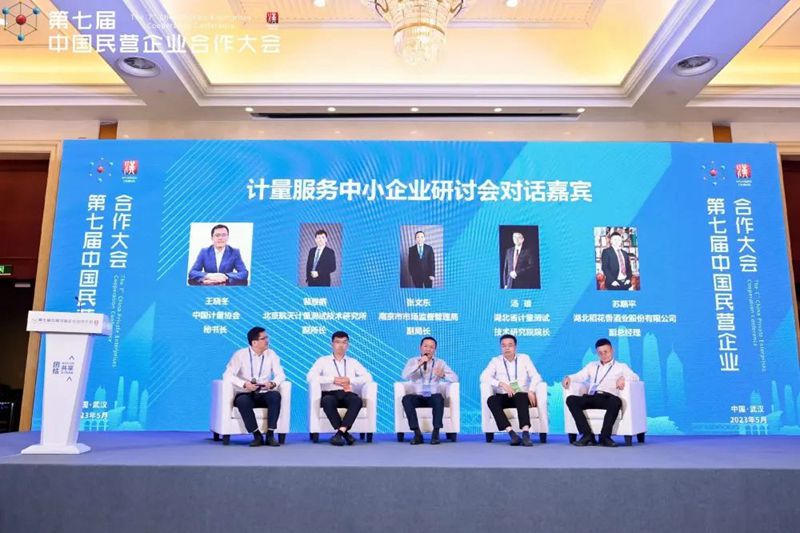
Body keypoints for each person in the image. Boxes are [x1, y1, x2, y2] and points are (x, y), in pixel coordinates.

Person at [562, 338, 640, 447]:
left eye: (606, 352)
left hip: (608, 398)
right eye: (600, 353)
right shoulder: (592, 365)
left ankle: (604, 437)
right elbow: (580, 376)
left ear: (612, 350)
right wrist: (568, 377)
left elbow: (635, 377)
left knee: (616, 401)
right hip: (592, 396)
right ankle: (587, 435)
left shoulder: (621, 366)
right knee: (571, 399)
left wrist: (623, 378)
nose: (603, 355)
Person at [306, 331, 372, 446]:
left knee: (357, 401)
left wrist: (350, 380)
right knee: (327, 401)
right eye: (337, 342)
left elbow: (368, 377)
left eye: (344, 342)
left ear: (348, 345)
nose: (341, 345)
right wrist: (333, 380)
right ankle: (345, 434)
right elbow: (310, 377)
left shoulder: (353, 362)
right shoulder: (323, 360)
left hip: (347, 393)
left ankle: (339, 433)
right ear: (332, 344)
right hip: (329, 393)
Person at [222, 327, 284, 447]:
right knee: (242, 401)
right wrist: (244, 384)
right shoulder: (240, 355)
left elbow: (281, 375)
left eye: (267, 337)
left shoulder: (271, 354)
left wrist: (272, 383)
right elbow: (227, 375)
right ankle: (257, 435)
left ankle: (270, 435)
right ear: (254, 342)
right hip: (246, 393)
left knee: (275, 396)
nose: (267, 340)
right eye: (264, 338)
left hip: (264, 393)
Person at [480, 334, 542, 446]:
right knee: (491, 400)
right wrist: (501, 384)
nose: (507, 348)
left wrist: (531, 390)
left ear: (515, 347)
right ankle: (512, 434)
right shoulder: (495, 361)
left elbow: (536, 376)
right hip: (504, 396)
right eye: (503, 345)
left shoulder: (524, 358)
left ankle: (525, 433)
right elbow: (483, 377)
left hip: (521, 396)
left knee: (520, 395)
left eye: (510, 345)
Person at [400, 336, 458, 445]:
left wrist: (443, 375)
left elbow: (455, 378)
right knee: (406, 399)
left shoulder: (440, 363)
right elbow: (404, 375)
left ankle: (435, 434)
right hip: (417, 396)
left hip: (432, 396)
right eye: (425, 346)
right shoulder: (412, 361)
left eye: (431, 347)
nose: (428, 349)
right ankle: (417, 434)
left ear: (435, 350)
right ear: (420, 348)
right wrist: (419, 364)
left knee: (438, 398)